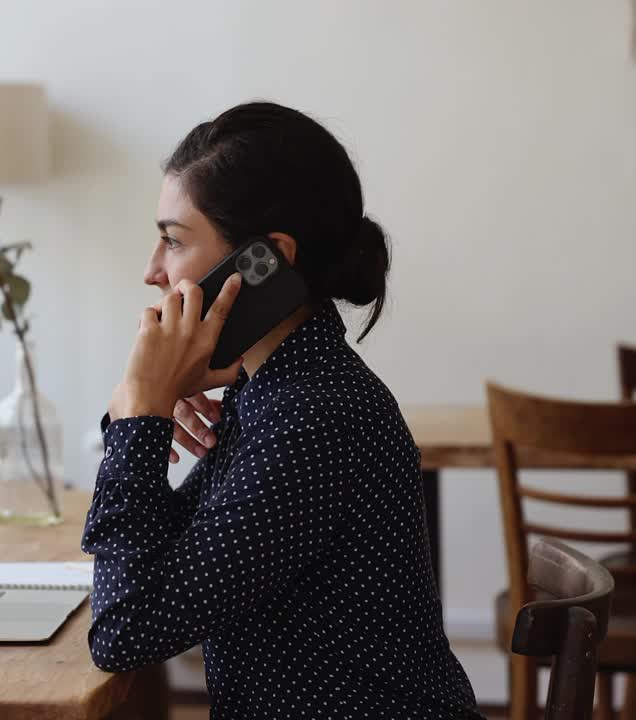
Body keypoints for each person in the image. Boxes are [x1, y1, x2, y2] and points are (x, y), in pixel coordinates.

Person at [81, 101, 483, 718]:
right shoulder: (273, 390)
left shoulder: (316, 418)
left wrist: (140, 412)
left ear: (264, 260)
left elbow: (125, 631)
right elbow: (167, 566)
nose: (151, 271)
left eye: (172, 241)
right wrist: (136, 412)